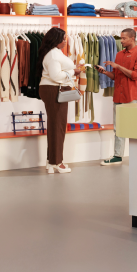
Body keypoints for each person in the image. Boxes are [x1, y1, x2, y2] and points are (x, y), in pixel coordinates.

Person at [37, 27, 84, 174]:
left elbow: (58, 71)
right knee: (58, 126)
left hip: (54, 90)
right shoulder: (53, 55)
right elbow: (56, 76)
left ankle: (51, 162)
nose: (65, 41)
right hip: (54, 90)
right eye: (63, 39)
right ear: (55, 40)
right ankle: (57, 163)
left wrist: (72, 69)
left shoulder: (54, 53)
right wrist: (73, 72)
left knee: (55, 125)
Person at [98, 28, 137, 166]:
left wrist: (118, 66)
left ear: (132, 38)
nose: (121, 40)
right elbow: (115, 77)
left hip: (131, 97)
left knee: (133, 127)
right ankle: (118, 155)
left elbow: (136, 75)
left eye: (124, 38)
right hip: (118, 97)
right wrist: (104, 72)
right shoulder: (119, 54)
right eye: (121, 38)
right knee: (118, 128)